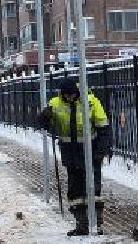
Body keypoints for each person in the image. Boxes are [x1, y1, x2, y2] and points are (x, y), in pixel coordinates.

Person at [42, 81, 111, 235]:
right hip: (69, 152)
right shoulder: (55, 103)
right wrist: (44, 118)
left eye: (72, 95)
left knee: (93, 187)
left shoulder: (91, 101)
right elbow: (43, 122)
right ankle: (81, 224)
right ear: (62, 94)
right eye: (66, 96)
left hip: (90, 150)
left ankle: (96, 224)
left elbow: (103, 127)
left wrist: (101, 150)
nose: (70, 98)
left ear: (77, 93)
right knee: (75, 189)